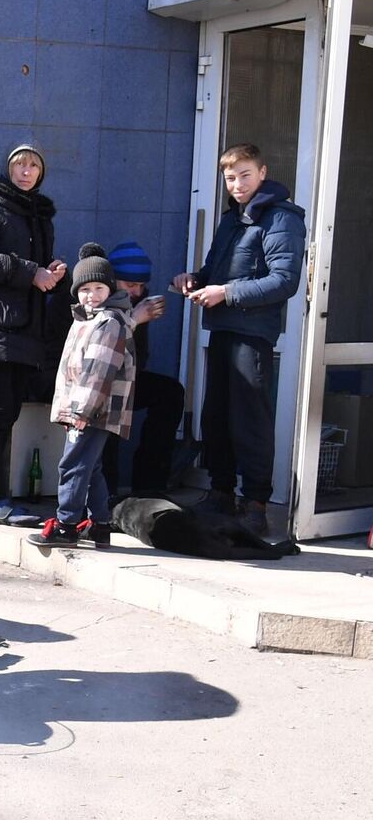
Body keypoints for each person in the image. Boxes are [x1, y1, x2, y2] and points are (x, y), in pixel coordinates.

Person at [172, 142, 306, 535]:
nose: (237, 183)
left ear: (263, 173)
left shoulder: (281, 218)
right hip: (224, 329)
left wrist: (225, 293)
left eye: (245, 175)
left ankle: (256, 504)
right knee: (217, 417)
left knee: (250, 422)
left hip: (254, 334)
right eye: (230, 178)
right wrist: (194, 280)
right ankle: (221, 494)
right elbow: (215, 269)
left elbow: (285, 280)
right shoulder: (232, 219)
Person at [0, 144, 67, 523]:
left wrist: (49, 272)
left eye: (34, 165)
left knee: (6, 415)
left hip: (23, 330)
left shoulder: (38, 213)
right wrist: (30, 271)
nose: (26, 171)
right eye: (20, 164)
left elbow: (30, 272)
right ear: (7, 168)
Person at [31, 244, 160, 550]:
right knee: (91, 468)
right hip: (85, 409)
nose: (92, 294)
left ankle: (66, 524)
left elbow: (98, 374)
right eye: (85, 289)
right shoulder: (88, 319)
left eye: (99, 287)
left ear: (110, 288)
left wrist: (81, 412)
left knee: (72, 466)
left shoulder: (109, 321)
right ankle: (99, 524)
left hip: (92, 411)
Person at [103, 240, 185, 495]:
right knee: (113, 406)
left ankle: (150, 486)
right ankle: (106, 495)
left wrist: (139, 321)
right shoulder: (96, 295)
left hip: (124, 377)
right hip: (93, 383)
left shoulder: (137, 302)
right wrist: (133, 320)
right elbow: (99, 353)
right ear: (113, 280)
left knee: (170, 392)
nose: (137, 291)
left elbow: (140, 360)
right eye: (130, 285)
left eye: (140, 285)